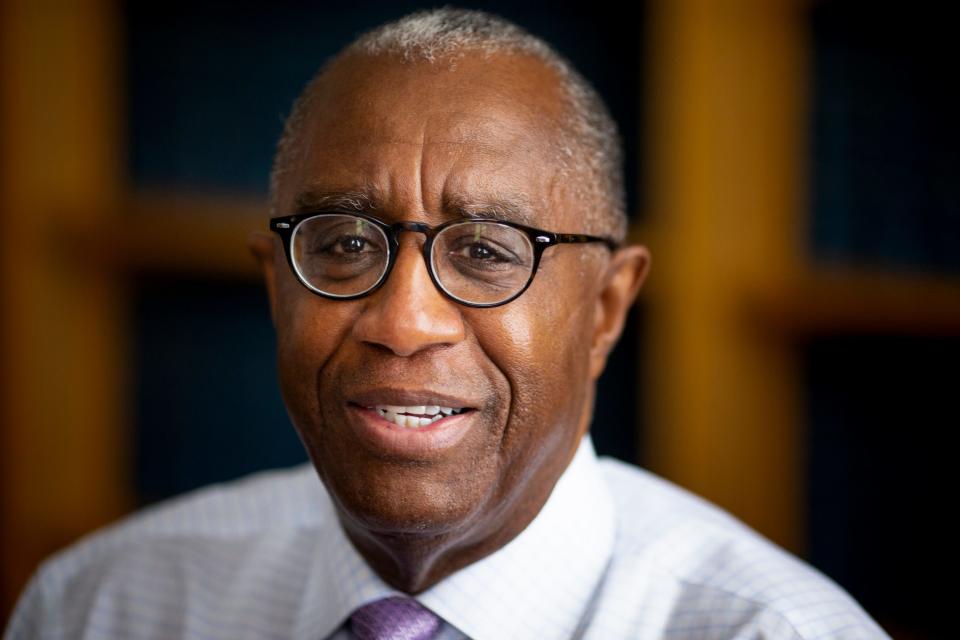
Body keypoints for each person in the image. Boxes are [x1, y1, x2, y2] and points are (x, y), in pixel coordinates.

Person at [5, 8, 888, 640]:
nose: (405, 319)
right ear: (276, 286)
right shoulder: (105, 606)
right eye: (345, 242)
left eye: (489, 252)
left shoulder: (770, 630)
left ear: (606, 310)